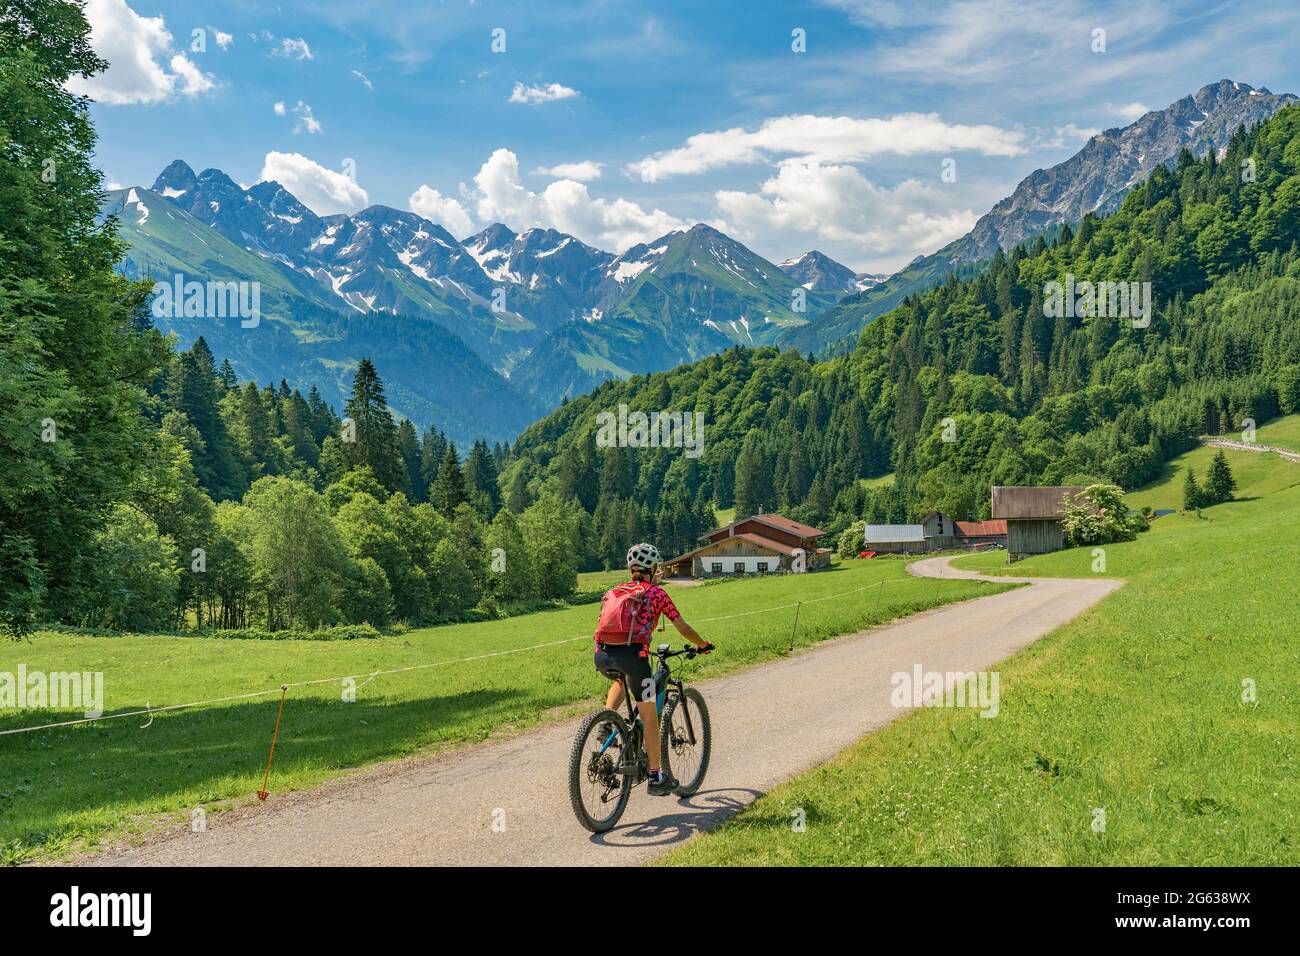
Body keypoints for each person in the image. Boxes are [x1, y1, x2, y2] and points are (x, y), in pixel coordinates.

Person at [593, 542, 713, 796]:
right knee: (650, 718)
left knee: (620, 681)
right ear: (654, 568)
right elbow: (682, 627)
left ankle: (605, 722)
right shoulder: (657, 594)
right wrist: (702, 644)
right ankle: (656, 778)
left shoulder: (613, 591)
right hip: (635, 659)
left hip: (603, 657)